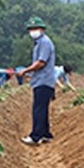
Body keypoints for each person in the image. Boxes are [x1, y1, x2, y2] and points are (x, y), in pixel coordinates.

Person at [18, 17, 57, 145]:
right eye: (31, 29)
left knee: (38, 108)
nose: (33, 31)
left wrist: (25, 70)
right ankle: (46, 134)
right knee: (42, 107)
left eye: (35, 28)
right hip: (41, 80)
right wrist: (30, 73)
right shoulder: (39, 43)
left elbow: (41, 63)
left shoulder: (45, 42)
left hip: (44, 81)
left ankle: (36, 136)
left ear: (42, 29)